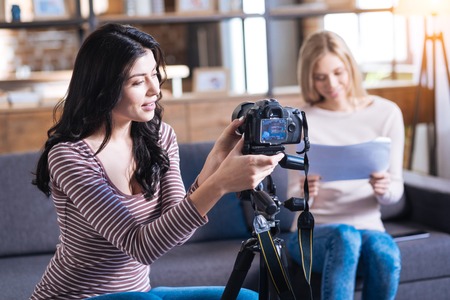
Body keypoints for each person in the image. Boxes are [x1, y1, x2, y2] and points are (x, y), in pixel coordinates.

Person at [30, 23, 284, 300]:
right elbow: (141, 246)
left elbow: (175, 230)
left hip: (138, 294)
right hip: (75, 297)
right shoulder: (70, 156)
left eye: (154, 74)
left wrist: (214, 164)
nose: (155, 90)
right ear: (103, 89)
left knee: (247, 298)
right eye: (138, 82)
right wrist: (220, 184)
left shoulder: (159, 136)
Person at [286, 31, 404, 300]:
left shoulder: (387, 113)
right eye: (320, 77)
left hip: (370, 228)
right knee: (345, 237)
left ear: (350, 67)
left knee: (385, 254)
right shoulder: (302, 120)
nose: (332, 83)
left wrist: (384, 188)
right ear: (310, 79)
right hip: (312, 234)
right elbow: (291, 198)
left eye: (338, 72)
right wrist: (307, 194)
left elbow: (395, 190)